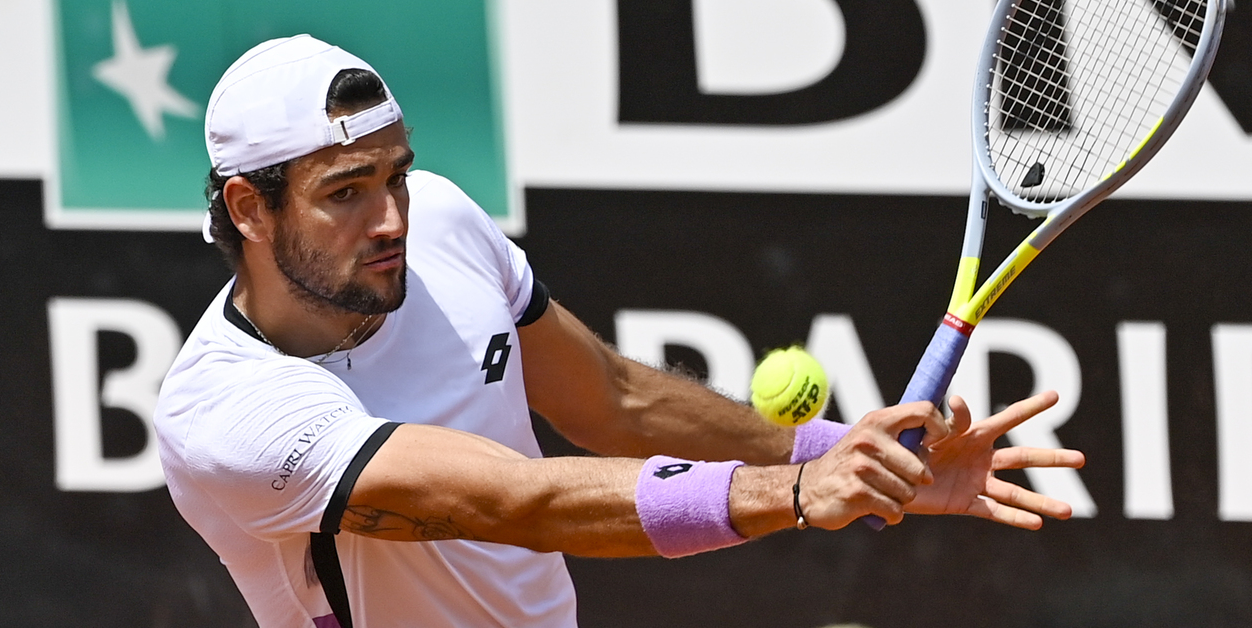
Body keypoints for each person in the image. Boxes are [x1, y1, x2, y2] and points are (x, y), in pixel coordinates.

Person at [155, 35, 1085, 628]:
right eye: (345, 194)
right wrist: (799, 490)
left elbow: (612, 397)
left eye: (394, 175)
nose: (391, 216)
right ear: (248, 207)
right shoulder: (228, 414)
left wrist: (855, 455)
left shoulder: (438, 221)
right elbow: (520, 502)